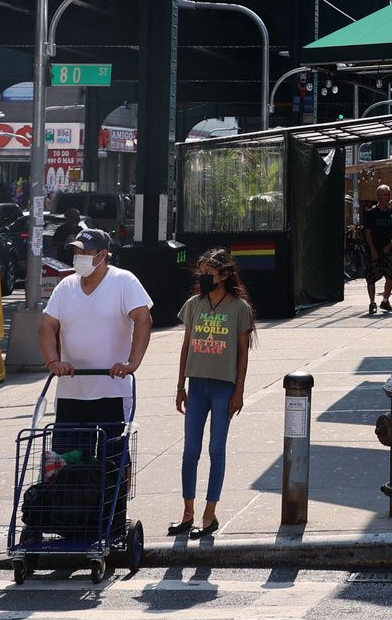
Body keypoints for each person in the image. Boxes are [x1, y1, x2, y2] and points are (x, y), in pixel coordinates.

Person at [38, 228, 153, 467]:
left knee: (112, 461)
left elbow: (143, 318)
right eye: (77, 252)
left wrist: (133, 363)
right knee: (64, 462)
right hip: (72, 389)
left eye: (86, 252)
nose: (80, 257)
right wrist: (53, 361)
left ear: (103, 255)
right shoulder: (66, 286)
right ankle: (71, 504)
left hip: (111, 388)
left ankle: (114, 503)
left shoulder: (123, 281)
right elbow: (47, 326)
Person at [171, 249, 255, 539]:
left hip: (224, 386)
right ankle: (187, 512)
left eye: (210, 272)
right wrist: (180, 385)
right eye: (201, 272)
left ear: (225, 274)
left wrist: (240, 390)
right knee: (189, 451)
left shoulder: (239, 308)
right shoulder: (194, 304)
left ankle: (210, 514)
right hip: (196, 385)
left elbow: (243, 353)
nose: (204, 277)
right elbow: (186, 346)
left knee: (216, 450)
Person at [361, 184, 392, 315]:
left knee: (390, 275)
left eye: (389, 195)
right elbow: (367, 233)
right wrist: (373, 249)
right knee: (371, 276)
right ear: (378, 197)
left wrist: (390, 246)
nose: (388, 197)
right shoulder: (371, 213)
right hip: (373, 249)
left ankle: (385, 300)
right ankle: (372, 302)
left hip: (388, 250)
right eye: (385, 195)